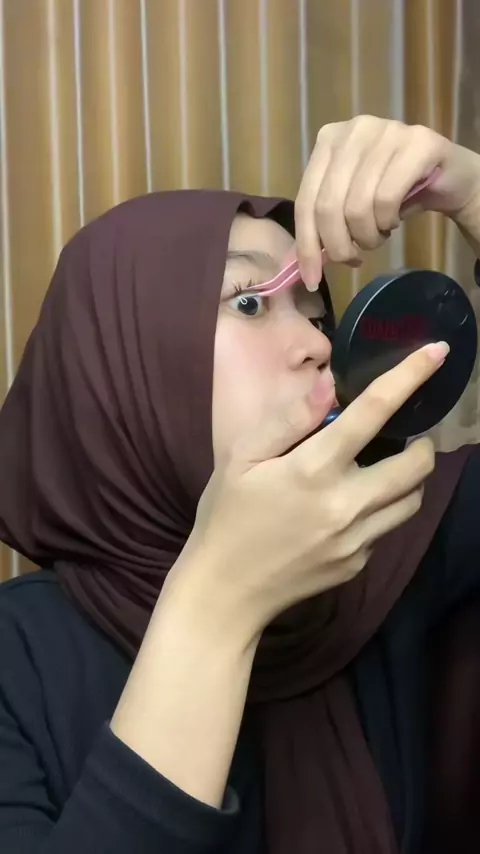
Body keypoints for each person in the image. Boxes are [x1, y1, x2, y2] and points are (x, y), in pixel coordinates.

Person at [0, 115, 479, 854]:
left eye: (317, 311)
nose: (318, 343)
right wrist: (220, 604)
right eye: (250, 301)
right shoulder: (18, 661)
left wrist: (473, 192)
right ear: (119, 371)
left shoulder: (409, 543)